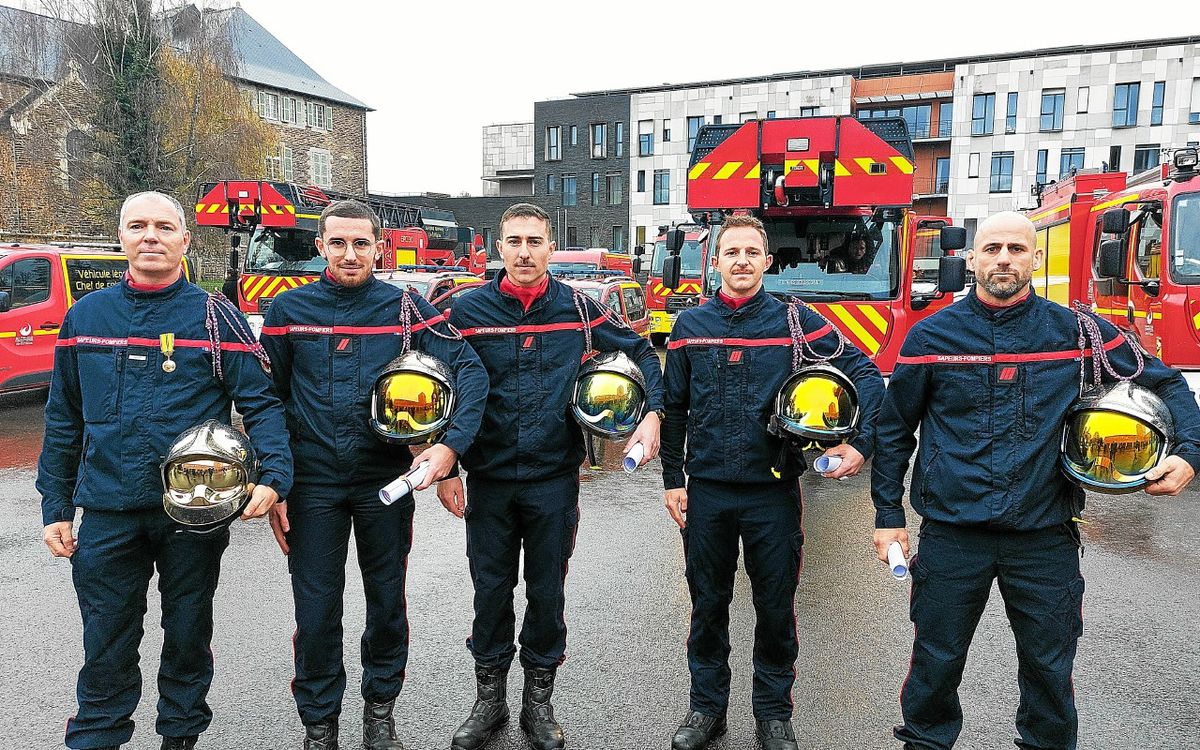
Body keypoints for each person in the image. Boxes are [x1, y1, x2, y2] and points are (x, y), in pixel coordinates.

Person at [871, 211, 1200, 750]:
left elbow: (1166, 383)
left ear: (1035, 258)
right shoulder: (931, 336)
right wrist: (888, 519)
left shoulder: (1079, 334)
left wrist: (1189, 454)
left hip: (1044, 534)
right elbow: (893, 430)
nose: (1004, 258)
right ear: (971, 258)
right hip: (954, 535)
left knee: (1049, 670)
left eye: (1017, 249)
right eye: (993, 248)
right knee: (936, 661)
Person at [37, 191, 293, 750]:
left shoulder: (214, 316)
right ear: (121, 237)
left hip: (194, 512)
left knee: (186, 635)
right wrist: (55, 506)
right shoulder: (86, 317)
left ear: (185, 239)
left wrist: (274, 477)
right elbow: (63, 419)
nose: (150, 236)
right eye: (137, 226)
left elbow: (262, 403)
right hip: (107, 510)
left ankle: (180, 736)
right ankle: (97, 738)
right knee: (105, 640)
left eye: (163, 226)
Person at [260, 200, 488, 750]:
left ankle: (380, 711)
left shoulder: (406, 309)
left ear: (378, 247)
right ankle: (320, 724)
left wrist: (449, 449)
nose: (349, 254)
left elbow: (469, 372)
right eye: (337, 243)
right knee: (316, 611)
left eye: (361, 243)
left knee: (386, 602)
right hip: (312, 485)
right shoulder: (288, 312)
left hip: (385, 481)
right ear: (320, 247)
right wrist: (275, 483)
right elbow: (268, 401)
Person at [439, 203, 664, 750]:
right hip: (488, 478)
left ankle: (538, 701)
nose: (524, 252)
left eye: (535, 242)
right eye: (513, 241)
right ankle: (489, 699)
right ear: (498, 248)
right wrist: (440, 459)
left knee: (546, 593)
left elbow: (643, 352)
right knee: (490, 592)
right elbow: (430, 381)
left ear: (550, 247)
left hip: (552, 479)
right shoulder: (464, 312)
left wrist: (651, 413)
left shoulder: (581, 311)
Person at [660, 214, 884, 750]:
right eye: (730, 252)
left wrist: (860, 442)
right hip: (708, 491)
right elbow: (673, 410)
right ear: (714, 262)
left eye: (751, 253)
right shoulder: (690, 327)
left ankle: (772, 714)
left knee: (775, 608)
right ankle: (706, 709)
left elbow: (867, 372)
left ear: (767, 261)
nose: (741, 261)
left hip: (773, 492)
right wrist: (673, 479)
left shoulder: (797, 323)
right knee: (707, 606)